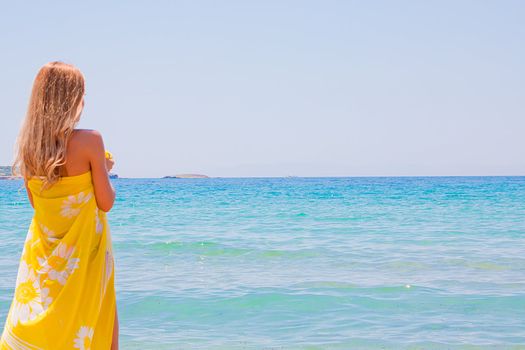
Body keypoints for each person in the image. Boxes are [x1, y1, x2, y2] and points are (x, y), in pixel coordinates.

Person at [0, 62, 119, 349]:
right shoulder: (90, 141)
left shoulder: (29, 148)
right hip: (87, 252)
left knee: (47, 320)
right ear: (71, 100)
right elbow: (106, 202)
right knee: (100, 316)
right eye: (81, 93)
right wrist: (102, 167)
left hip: (45, 252)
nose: (84, 101)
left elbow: (38, 206)